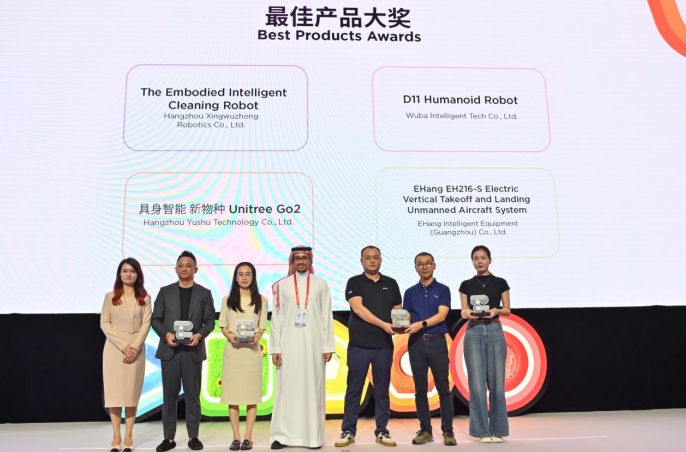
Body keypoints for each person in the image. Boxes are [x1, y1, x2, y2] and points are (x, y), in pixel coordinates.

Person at [268, 246, 335, 449]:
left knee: (313, 389)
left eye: (305, 258)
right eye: (297, 258)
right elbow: (277, 318)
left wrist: (328, 345)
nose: (301, 262)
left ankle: (312, 438)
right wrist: (276, 348)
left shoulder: (321, 284)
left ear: (310, 260)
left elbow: (326, 315)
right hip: (288, 345)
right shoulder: (282, 285)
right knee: (286, 389)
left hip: (315, 345)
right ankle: (282, 436)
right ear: (292, 261)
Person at [336, 246, 402, 448]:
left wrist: (400, 325)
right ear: (361, 261)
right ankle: (348, 431)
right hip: (360, 345)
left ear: (381, 260)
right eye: (368, 258)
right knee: (353, 390)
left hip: (384, 345)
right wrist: (383, 324)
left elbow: (398, 311)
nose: (372, 261)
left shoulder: (391, 283)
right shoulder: (354, 282)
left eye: (375, 257)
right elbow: (359, 309)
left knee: (382, 391)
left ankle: (382, 431)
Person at [151, 251, 216, 452]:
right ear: (176, 269)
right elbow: (155, 319)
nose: (184, 268)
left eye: (188, 265)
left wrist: (199, 335)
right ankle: (168, 438)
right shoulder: (165, 292)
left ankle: (193, 437)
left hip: (192, 351)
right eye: (181, 265)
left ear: (195, 269)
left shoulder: (204, 293)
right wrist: (166, 335)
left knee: (192, 396)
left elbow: (210, 321)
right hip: (170, 351)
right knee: (169, 397)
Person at [402, 252, 456, 446]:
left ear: (434, 266)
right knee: (420, 390)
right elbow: (406, 318)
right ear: (415, 268)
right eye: (420, 264)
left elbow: (442, 315)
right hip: (416, 344)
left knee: (444, 389)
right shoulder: (409, 292)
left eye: (427, 263)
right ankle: (426, 430)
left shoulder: (443, 289)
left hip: (437, 342)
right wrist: (399, 324)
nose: (424, 267)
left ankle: (448, 432)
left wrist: (421, 324)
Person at [459, 245, 511, 443]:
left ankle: (498, 430)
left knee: (497, 382)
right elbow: (463, 311)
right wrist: (466, 313)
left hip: (495, 329)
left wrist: (495, 311)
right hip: (473, 331)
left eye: (483, 257)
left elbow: (507, 309)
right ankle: (481, 431)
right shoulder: (466, 284)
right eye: (475, 258)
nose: (479, 261)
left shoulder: (500, 282)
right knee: (476, 383)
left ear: (490, 259)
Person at [101, 257, 152, 452]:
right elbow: (104, 323)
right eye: (124, 271)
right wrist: (124, 346)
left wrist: (135, 347)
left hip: (136, 349)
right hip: (114, 349)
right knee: (114, 394)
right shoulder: (110, 297)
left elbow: (146, 324)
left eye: (132, 271)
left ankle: (129, 435)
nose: (128, 274)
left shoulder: (145, 298)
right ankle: (116, 435)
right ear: (119, 274)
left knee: (131, 393)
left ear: (138, 274)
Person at [219, 262, 268, 451]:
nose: (244, 277)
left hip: (252, 353)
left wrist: (257, 336)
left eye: (248, 274)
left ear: (253, 277)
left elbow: (262, 327)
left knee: (251, 395)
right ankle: (236, 437)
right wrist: (229, 336)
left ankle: (248, 436)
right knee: (232, 396)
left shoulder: (261, 300)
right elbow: (223, 326)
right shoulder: (227, 300)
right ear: (235, 277)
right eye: (240, 274)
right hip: (233, 353)